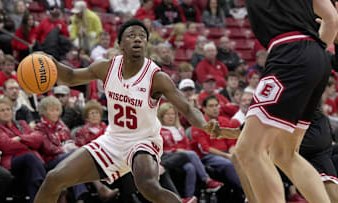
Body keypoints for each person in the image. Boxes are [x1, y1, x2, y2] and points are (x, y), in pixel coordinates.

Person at [34, 18, 221, 203]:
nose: (138, 39)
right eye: (131, 35)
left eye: (142, 36)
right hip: (113, 140)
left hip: (143, 140)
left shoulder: (157, 77)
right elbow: (72, 76)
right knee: (53, 178)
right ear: (120, 44)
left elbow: (187, 108)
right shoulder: (106, 67)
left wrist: (204, 124)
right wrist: (51, 63)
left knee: (147, 184)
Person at [232, 0, 338, 203]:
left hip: (288, 52)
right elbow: (332, 18)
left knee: (248, 150)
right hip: (317, 55)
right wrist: (313, 55)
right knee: (284, 153)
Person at [158, 102, 223, 198]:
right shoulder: (159, 130)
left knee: (190, 168)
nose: (171, 117)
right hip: (169, 157)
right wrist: (176, 150)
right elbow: (160, 148)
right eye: (167, 114)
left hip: (184, 157)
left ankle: (189, 197)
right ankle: (207, 180)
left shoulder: (180, 129)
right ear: (161, 116)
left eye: (173, 114)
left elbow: (187, 145)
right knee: (192, 154)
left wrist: (183, 151)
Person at [0, 97, 46, 203]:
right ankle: (46, 188)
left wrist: (21, 138)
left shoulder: (22, 123)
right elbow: (5, 145)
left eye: (8, 109)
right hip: (12, 161)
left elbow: (38, 139)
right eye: (2, 110)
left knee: (31, 171)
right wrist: (29, 143)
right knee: (30, 158)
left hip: (31, 162)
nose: (6, 112)